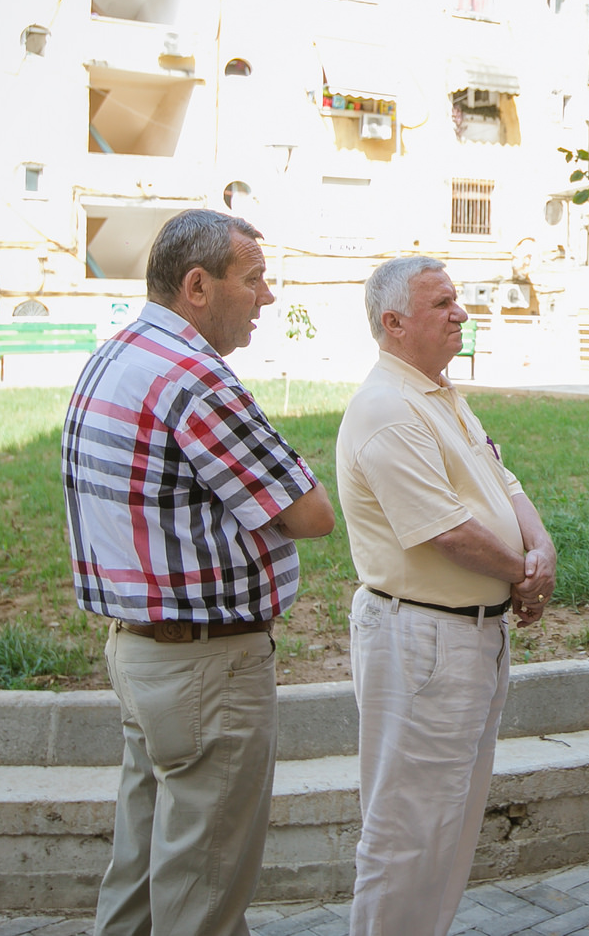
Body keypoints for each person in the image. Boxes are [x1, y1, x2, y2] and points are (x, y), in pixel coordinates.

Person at [61, 209, 337, 936]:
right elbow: (311, 511)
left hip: (143, 654)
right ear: (196, 285)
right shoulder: (196, 377)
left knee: (142, 876)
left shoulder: (115, 352)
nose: (266, 297)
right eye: (253, 280)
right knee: (203, 892)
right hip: (207, 671)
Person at [334, 255, 559, 936]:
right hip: (424, 640)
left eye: (458, 299)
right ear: (394, 322)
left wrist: (540, 552)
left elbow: (504, 481)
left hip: (469, 636)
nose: (462, 312)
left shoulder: (439, 394)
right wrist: (526, 570)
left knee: (451, 821)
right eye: (444, 303)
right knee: (408, 831)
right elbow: (447, 531)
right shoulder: (387, 408)